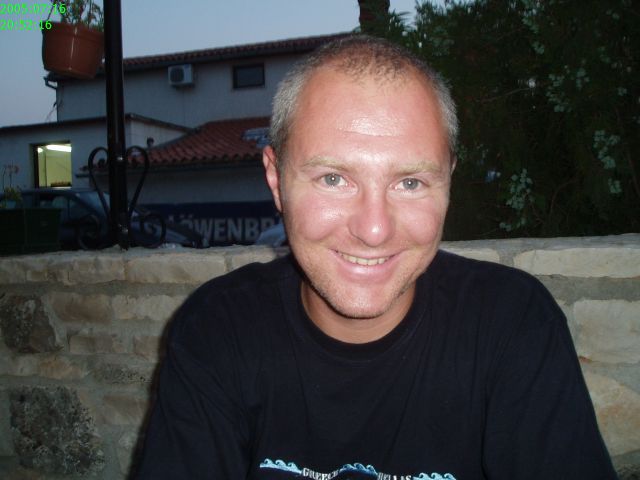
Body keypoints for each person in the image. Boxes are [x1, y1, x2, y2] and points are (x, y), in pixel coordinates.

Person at [136, 36, 617, 479]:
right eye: (333, 179)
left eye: (410, 182)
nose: (373, 230)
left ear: (448, 182)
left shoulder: (513, 323)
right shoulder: (218, 329)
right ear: (277, 180)